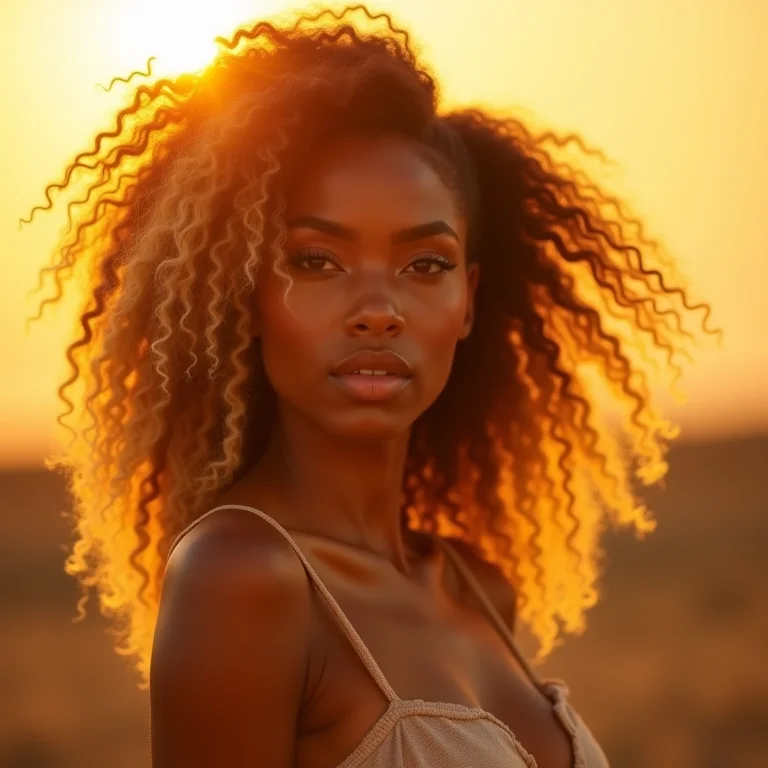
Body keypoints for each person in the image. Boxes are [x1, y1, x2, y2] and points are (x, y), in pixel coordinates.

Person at [23, 4, 720, 767]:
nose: (378, 312)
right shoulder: (241, 579)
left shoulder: (476, 583)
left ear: (468, 302)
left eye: (424, 265)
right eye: (317, 260)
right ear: (245, 295)